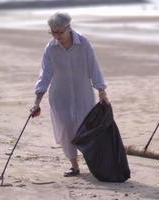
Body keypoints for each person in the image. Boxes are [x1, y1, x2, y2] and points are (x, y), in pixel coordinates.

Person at [30, 12, 109, 177]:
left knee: (85, 128)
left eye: (60, 32)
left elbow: (93, 67)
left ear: (69, 28)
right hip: (60, 95)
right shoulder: (50, 48)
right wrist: (37, 101)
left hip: (83, 93)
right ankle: (74, 166)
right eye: (53, 32)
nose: (57, 36)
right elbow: (45, 75)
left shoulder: (83, 43)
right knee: (66, 128)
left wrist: (101, 91)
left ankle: (94, 164)